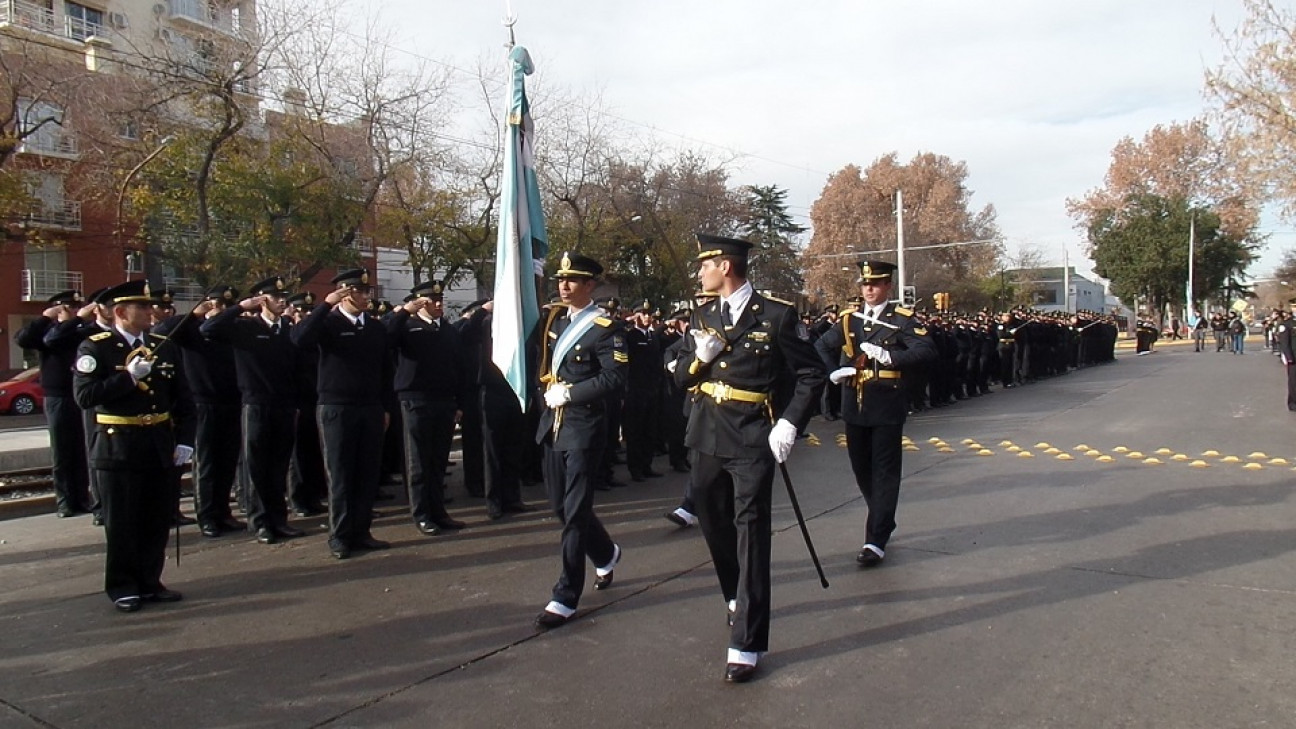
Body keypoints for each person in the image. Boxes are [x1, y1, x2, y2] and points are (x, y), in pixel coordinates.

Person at [672, 233, 825, 683]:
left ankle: (747, 641)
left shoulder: (776, 315)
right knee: (709, 515)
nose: (699, 273)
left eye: (704, 265)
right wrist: (699, 359)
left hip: (754, 435)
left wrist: (791, 423)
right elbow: (681, 377)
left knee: (752, 531)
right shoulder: (701, 315)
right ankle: (735, 595)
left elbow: (811, 374)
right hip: (706, 433)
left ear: (725, 266)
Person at [73, 280, 195, 613]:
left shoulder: (163, 346)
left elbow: (183, 398)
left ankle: (150, 581)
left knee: (156, 519)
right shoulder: (95, 348)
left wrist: (185, 440)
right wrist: (127, 377)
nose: (149, 311)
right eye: (141, 307)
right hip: (118, 446)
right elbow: (85, 397)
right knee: (123, 521)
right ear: (121, 312)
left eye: (149, 306)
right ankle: (123, 586)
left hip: (157, 443)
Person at [813, 260, 937, 569]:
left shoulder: (902, 319)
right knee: (861, 470)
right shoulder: (848, 320)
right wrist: (834, 372)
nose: (869, 288)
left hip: (886, 404)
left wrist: (892, 356)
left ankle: (875, 538)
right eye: (865, 284)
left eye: (876, 283)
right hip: (854, 404)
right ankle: (883, 517)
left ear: (888, 287)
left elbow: (926, 350)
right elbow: (821, 346)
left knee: (884, 472)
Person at [532, 252, 629, 630]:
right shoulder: (555, 319)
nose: (564, 285)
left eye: (573, 280)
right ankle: (606, 553)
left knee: (574, 513)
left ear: (590, 285)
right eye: (561, 278)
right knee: (560, 506)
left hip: (584, 427)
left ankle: (565, 595)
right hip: (552, 424)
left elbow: (613, 379)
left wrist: (571, 394)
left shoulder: (606, 328)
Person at [291, 268, 392, 560]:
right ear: (344, 294)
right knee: (340, 473)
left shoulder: (374, 328)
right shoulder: (328, 324)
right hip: (337, 407)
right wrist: (325, 305)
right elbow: (299, 338)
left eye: (366, 292)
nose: (364, 297)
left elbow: (385, 371)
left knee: (366, 473)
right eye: (357, 292)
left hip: (370, 407)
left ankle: (362, 531)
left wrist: (384, 406)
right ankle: (340, 534)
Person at [200, 276, 305, 545]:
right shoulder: (245, 326)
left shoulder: (286, 329)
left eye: (284, 297)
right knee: (257, 465)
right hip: (256, 404)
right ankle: (260, 522)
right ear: (262, 299)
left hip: (284, 404)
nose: (283, 301)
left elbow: (296, 368)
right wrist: (240, 307)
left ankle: (279, 520)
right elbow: (209, 329)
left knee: (278, 465)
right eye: (276, 297)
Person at [153, 286, 246, 537]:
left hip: (231, 400)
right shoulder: (190, 330)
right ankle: (207, 515)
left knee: (226, 461)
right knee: (207, 462)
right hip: (202, 402)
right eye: (215, 304)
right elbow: (162, 332)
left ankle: (223, 512)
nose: (220, 310)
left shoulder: (231, 330)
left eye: (225, 306)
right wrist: (193, 314)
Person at [385, 280, 469, 536]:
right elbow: (385, 337)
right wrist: (403, 312)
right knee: (419, 462)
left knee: (438, 460)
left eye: (440, 299)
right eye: (432, 300)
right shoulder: (407, 326)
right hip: (415, 399)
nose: (438, 304)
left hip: (444, 400)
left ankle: (439, 511)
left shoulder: (447, 330)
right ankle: (421, 513)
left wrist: (460, 403)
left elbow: (459, 367)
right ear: (420, 302)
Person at [15, 290, 92, 517]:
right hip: (57, 396)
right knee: (62, 450)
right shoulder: (48, 332)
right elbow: (24, 338)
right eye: (70, 308)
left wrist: (77, 321)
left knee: (81, 450)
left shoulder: (79, 330)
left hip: (79, 394)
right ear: (57, 309)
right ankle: (65, 501)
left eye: (78, 308)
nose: (76, 312)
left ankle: (81, 498)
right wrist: (46, 318)